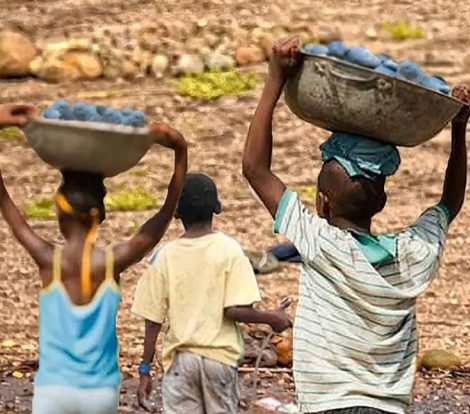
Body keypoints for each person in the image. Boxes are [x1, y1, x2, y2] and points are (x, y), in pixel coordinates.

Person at [242, 38, 470, 414]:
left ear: (322, 203)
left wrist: (274, 79)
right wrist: (459, 129)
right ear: (382, 202)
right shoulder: (412, 256)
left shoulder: (319, 243)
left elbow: (255, 169)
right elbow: (449, 203)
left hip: (327, 405)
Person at [0, 104, 188, 414]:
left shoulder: (48, 260)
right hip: (100, 393)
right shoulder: (113, 261)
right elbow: (165, 215)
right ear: (100, 214)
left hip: (54, 391)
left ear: (60, 212)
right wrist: (180, 150)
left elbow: (6, 203)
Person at [132, 173, 293, 414]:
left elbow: (153, 320)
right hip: (219, 361)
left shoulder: (164, 256)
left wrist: (145, 369)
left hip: (180, 363)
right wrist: (274, 317)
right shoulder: (230, 251)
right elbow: (235, 310)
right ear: (217, 208)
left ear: (176, 212)